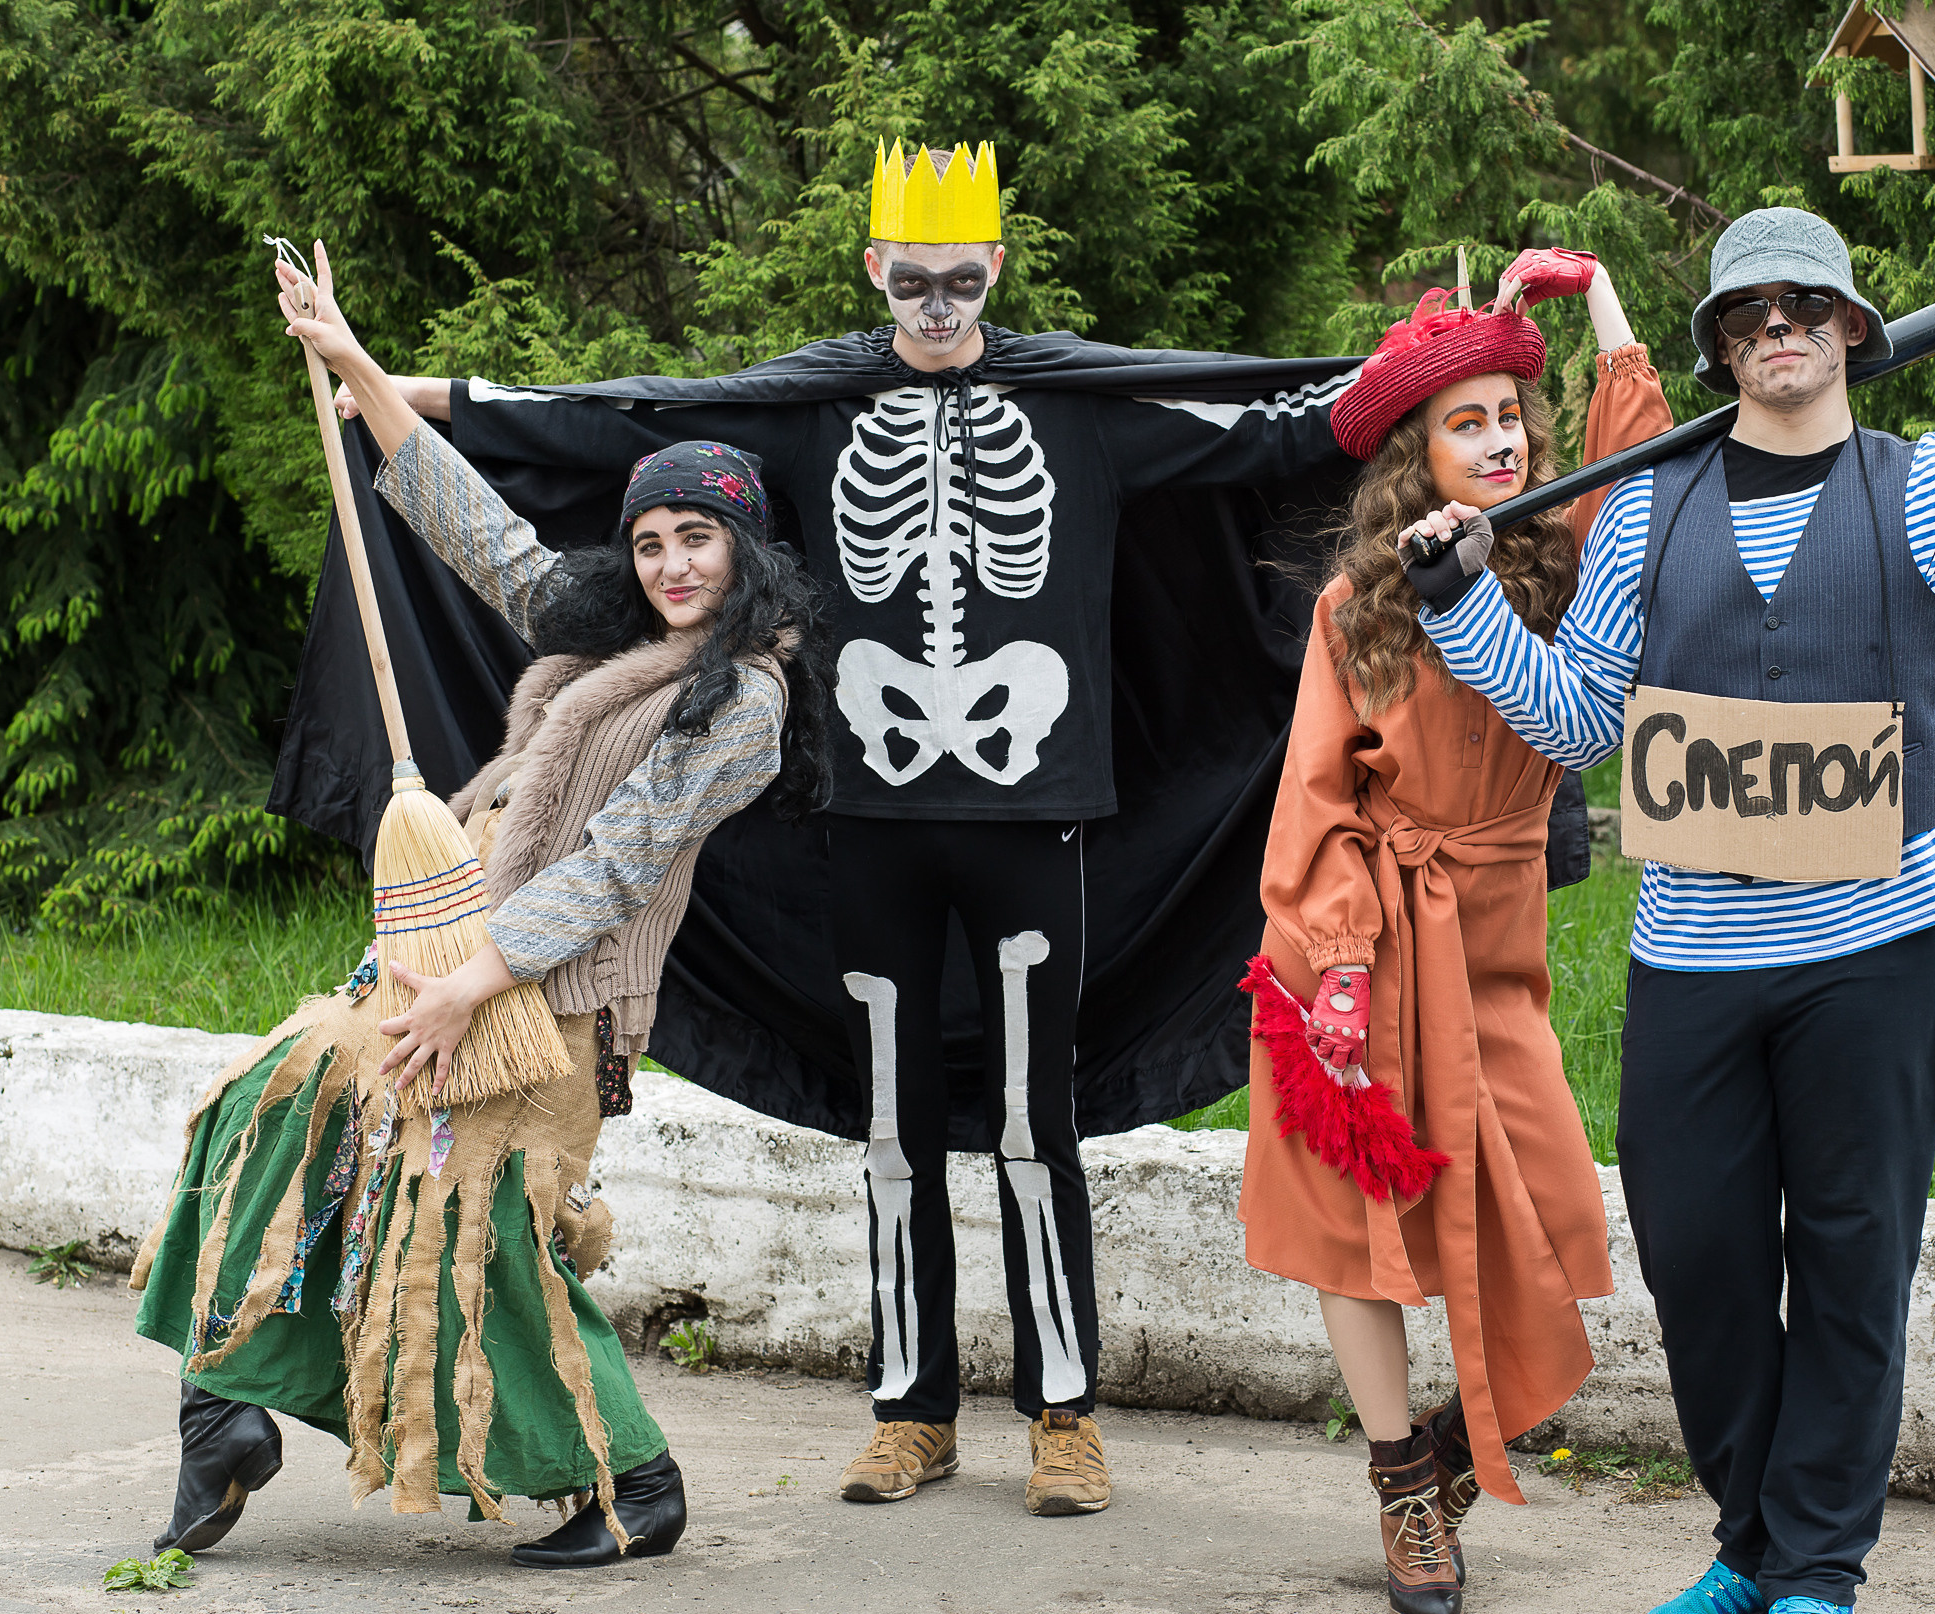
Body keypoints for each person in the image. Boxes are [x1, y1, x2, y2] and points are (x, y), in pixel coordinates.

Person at [333, 141, 1361, 1518]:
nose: (938, 304)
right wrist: (415, 396)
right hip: (871, 821)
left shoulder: (1083, 406)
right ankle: (910, 1411)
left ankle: (1065, 1415)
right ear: (875, 269)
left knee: (1030, 1121)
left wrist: (1442, 362)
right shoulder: (818, 407)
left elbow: (1280, 426)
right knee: (894, 1125)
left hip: (1030, 816)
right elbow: (628, 422)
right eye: (912, 278)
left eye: (962, 276)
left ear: (998, 266)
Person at [1404, 208, 1935, 1614]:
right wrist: (1461, 608)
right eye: (1749, 310)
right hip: (1694, 951)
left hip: (1873, 951)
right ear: (1718, 345)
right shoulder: (1645, 509)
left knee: (1849, 1262)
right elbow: (1575, 719)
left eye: (1807, 304)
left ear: (1852, 329)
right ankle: (1749, 1538)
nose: (1779, 327)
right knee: (1697, 1264)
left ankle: (1816, 1561)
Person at [129, 240, 832, 1570]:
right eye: (651, 540)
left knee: (484, 1230)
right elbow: (483, 536)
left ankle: (636, 1485)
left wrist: (469, 985)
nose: (673, 562)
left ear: (746, 547)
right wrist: (354, 364)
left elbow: (617, 867)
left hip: (546, 1011)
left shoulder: (744, 700)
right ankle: (223, 1406)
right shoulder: (607, 637)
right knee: (282, 1104)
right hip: (445, 968)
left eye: (698, 536)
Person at [1241, 249, 1670, 1614]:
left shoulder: (1562, 564)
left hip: (1493, 939)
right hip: (1356, 941)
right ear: (1415, 457)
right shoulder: (1356, 607)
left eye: (1510, 417)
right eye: (1464, 422)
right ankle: (1402, 1487)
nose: (1496, 442)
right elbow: (1321, 799)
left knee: (1557, 1217)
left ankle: (1455, 1444)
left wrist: (1600, 301)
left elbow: (1643, 471)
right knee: (1348, 1228)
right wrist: (1340, 964)